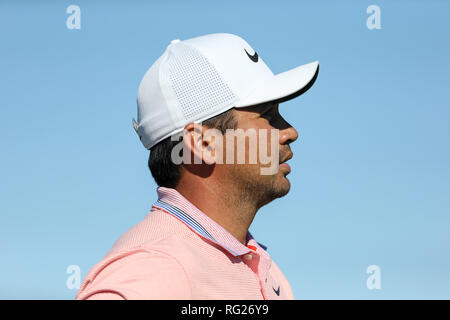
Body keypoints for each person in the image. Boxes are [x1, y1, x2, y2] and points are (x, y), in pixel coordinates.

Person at [76, 33, 319, 300]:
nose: (290, 132)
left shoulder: (264, 269)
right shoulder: (152, 268)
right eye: (268, 116)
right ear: (203, 143)